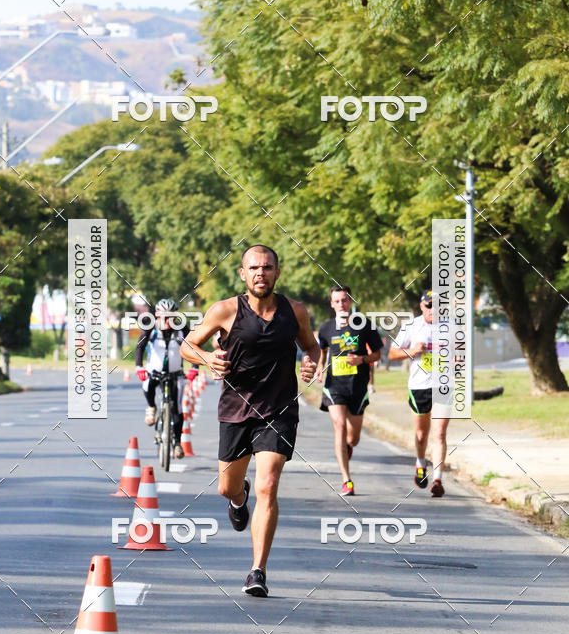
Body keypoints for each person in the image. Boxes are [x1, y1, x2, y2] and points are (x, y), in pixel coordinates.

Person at [180, 244, 320, 597]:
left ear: (277, 272)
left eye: (267, 267)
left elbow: (313, 347)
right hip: (237, 410)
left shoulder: (295, 312)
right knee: (227, 487)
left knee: (268, 485)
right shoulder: (225, 310)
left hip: (279, 410)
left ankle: (257, 570)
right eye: (254, 268)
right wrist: (207, 359)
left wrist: (311, 362)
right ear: (243, 274)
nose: (261, 273)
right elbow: (188, 345)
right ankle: (237, 501)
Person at [315, 286, 382, 495]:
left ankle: (348, 447)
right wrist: (318, 368)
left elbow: (378, 354)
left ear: (350, 302)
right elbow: (321, 350)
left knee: (352, 438)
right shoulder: (326, 328)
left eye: (344, 300)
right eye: (337, 301)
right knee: (339, 428)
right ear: (331, 304)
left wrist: (362, 359)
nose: (341, 304)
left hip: (358, 386)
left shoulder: (364, 325)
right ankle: (347, 480)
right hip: (334, 386)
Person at [388, 289, 447, 497]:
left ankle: (438, 479)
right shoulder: (411, 326)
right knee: (422, 434)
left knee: (439, 433)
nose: (433, 309)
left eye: (437, 305)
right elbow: (392, 353)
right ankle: (421, 462)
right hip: (419, 386)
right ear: (422, 306)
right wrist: (412, 351)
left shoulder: (450, 327)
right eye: (429, 305)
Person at [135, 298, 185, 460]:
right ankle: (151, 407)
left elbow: (194, 347)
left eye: (170, 317)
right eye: (163, 317)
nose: (167, 321)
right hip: (154, 371)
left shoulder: (182, 329)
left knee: (177, 408)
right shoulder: (151, 329)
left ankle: (177, 443)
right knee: (147, 385)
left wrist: (195, 368)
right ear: (157, 316)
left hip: (175, 373)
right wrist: (139, 367)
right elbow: (140, 347)